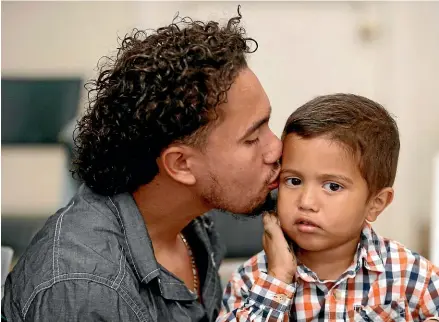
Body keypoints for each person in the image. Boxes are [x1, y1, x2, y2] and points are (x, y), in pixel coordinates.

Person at [1, 8, 282, 322]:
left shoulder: (188, 222)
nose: (276, 148)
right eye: (252, 137)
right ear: (181, 165)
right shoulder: (86, 291)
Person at [218, 93, 439, 321]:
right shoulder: (251, 279)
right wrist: (278, 279)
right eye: (293, 181)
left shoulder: (412, 277)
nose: (306, 202)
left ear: (376, 203)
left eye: (333, 186)